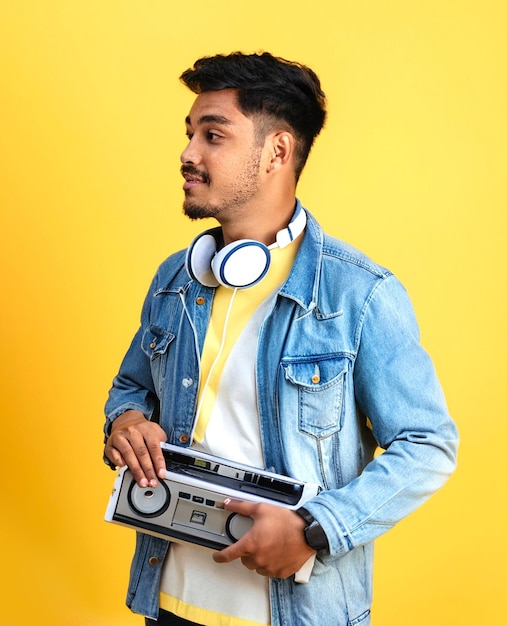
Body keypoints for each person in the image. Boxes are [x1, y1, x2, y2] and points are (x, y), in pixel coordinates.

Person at [104, 51, 458, 626]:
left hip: (296, 613)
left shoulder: (358, 294)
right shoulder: (175, 278)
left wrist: (316, 530)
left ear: (277, 151)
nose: (187, 154)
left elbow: (428, 444)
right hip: (164, 602)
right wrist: (125, 423)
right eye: (190, 133)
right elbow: (130, 388)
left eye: (212, 135)